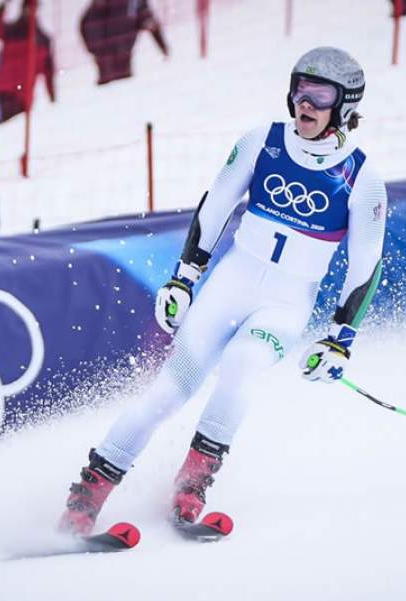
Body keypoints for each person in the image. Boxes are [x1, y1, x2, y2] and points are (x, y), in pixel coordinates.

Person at [57, 47, 388, 535]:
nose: (305, 103)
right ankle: (84, 502)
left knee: (241, 368)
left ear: (345, 106)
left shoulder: (362, 178)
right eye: (300, 90)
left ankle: (190, 488)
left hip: (285, 304)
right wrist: (183, 278)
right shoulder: (262, 141)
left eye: (320, 96)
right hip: (231, 284)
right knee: (167, 393)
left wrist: (341, 338)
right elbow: (215, 207)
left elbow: (365, 264)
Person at [0, 0, 56, 121]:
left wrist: (52, 97)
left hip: (22, 93)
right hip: (8, 90)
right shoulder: (12, 32)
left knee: (15, 123)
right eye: (27, 8)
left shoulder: (42, 39)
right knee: (10, 123)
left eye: (32, 8)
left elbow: (49, 71)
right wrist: (2, 8)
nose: (29, 12)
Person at [80, 0, 168, 85]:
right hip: (106, 61)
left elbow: (147, 19)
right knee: (109, 86)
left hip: (124, 56)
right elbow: (88, 24)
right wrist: (98, 49)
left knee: (126, 86)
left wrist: (162, 45)